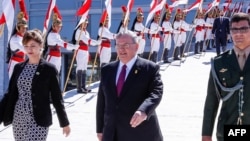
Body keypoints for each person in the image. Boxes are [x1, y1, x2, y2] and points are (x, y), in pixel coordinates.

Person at [0, 29, 70, 140]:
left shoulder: (49, 69)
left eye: (33, 45)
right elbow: (9, 94)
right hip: (19, 117)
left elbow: (57, 98)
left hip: (39, 118)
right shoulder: (18, 67)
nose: (29, 49)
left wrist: (64, 122)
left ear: (41, 45)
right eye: (26, 46)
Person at [96, 32, 163, 141]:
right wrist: (100, 129)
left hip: (140, 133)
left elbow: (156, 93)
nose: (121, 49)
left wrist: (143, 111)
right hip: (112, 134)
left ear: (136, 47)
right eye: (118, 45)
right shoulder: (107, 70)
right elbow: (101, 102)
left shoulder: (149, 68)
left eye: (126, 45)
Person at [202, 12, 250, 141]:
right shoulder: (219, 62)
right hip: (228, 129)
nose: (238, 33)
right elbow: (211, 101)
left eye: (244, 29)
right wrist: (206, 135)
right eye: (234, 29)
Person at [72, 18, 101, 93]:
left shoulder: (86, 32)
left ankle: (83, 86)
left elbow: (88, 41)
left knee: (84, 68)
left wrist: (96, 42)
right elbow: (87, 40)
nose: (85, 24)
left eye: (86, 23)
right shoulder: (78, 31)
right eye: (83, 23)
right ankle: (79, 88)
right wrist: (97, 42)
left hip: (85, 51)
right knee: (80, 67)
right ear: (80, 24)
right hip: (80, 51)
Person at [7, 11, 28, 78]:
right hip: (14, 64)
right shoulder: (14, 39)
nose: (24, 29)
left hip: (23, 63)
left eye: (25, 28)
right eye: (22, 27)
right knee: (14, 86)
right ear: (17, 28)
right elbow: (24, 49)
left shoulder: (24, 38)